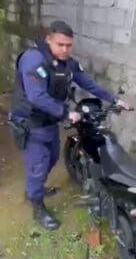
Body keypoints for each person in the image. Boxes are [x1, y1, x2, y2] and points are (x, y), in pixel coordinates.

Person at [9, 20, 129, 230]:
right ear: (48, 40)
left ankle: (35, 188)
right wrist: (66, 113)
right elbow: (36, 96)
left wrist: (113, 99)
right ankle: (37, 206)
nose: (64, 50)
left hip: (49, 123)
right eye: (60, 44)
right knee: (38, 166)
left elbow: (87, 83)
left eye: (68, 45)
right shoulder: (33, 60)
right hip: (30, 124)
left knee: (53, 157)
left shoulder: (67, 64)